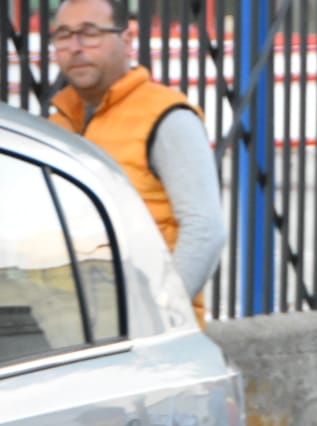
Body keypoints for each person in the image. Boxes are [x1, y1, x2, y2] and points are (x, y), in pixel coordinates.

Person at [48, 0, 224, 322]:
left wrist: (159, 318)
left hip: (149, 344)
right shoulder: (57, 124)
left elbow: (205, 229)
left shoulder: (167, 118)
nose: (74, 47)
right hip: (77, 334)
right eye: (62, 35)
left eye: (89, 33)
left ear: (126, 41)